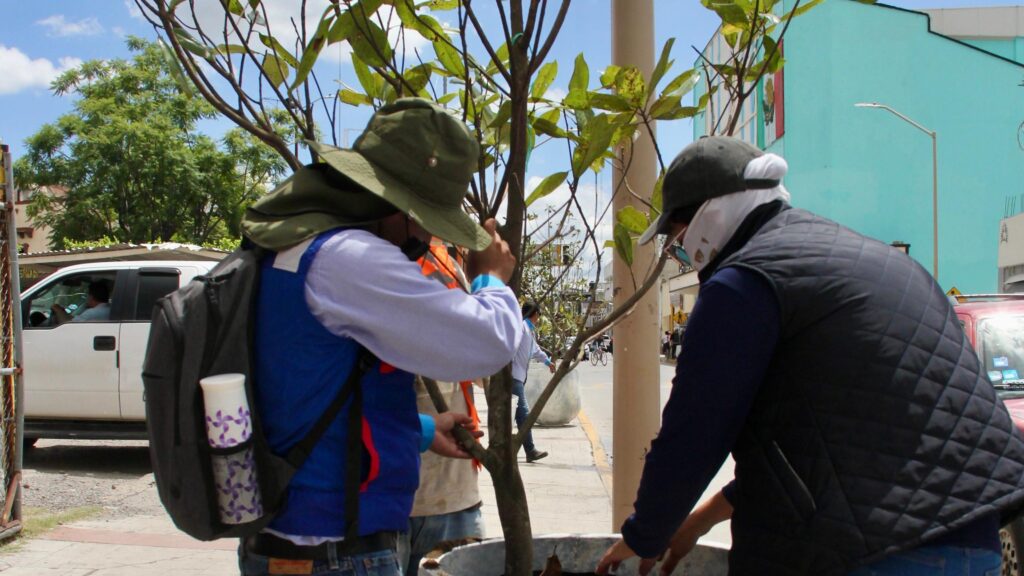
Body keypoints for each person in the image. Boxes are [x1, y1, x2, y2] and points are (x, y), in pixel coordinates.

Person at [597, 135, 1024, 576]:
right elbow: (830, 454)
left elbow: (694, 430)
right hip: (975, 541)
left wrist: (645, 534)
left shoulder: (743, 283)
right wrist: (699, 520)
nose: (684, 252)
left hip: (870, 553)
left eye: (679, 239)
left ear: (708, 217)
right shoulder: (881, 263)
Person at [239, 98, 524, 576]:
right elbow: (487, 343)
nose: (425, 239)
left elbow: (315, 392)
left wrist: (423, 431)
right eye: (426, 220)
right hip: (336, 553)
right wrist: (491, 277)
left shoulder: (292, 245)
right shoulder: (346, 257)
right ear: (395, 204)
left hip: (292, 542)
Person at [398, 240, 486, 575]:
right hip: (403, 500)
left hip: (449, 496)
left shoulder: (448, 267)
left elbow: (490, 370)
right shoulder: (383, 265)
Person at [513, 301, 555, 463]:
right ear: (535, 314)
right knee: (523, 414)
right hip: (514, 377)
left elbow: (535, 350)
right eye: (539, 315)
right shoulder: (521, 327)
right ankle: (529, 450)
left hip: (519, 377)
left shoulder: (529, 331)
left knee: (518, 416)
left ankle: (516, 450)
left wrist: (548, 362)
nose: (539, 318)